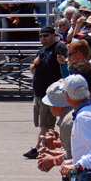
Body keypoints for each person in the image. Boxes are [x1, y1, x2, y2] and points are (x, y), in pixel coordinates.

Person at [26, 26, 66, 158]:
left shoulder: (59, 47)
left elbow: (65, 64)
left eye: (46, 35)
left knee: (45, 123)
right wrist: (34, 64)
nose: (43, 38)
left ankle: (38, 148)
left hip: (49, 94)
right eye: (41, 36)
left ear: (53, 35)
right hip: (38, 92)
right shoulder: (41, 51)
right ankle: (46, 146)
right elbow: (32, 69)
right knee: (41, 123)